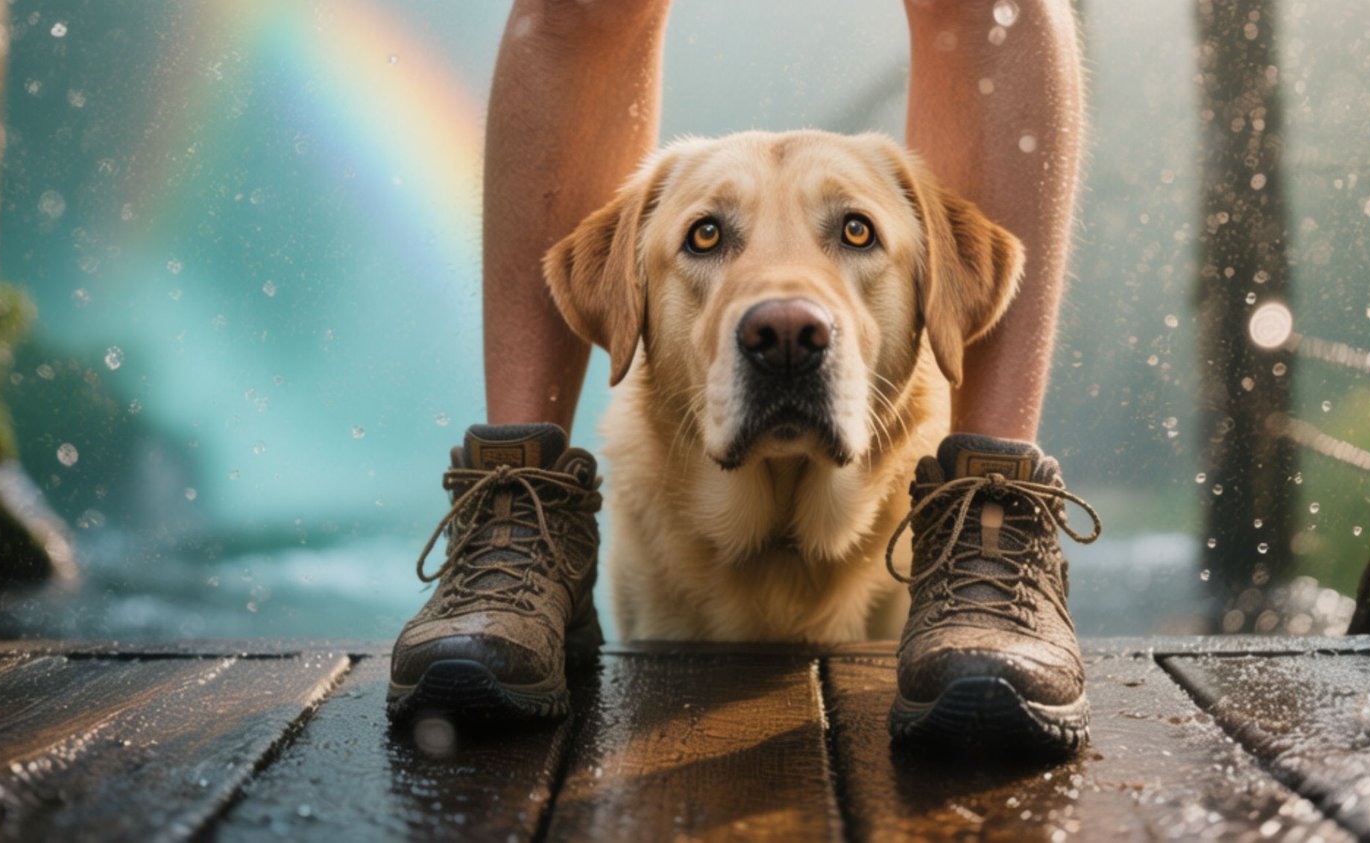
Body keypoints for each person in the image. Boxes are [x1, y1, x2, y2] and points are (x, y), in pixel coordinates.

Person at [387, 0, 1094, 751]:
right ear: (632, 303)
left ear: (934, 295)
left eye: (855, 233)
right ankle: (521, 509)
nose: (784, 315)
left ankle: (988, 526)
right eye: (706, 237)